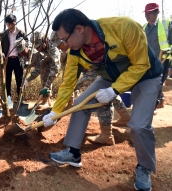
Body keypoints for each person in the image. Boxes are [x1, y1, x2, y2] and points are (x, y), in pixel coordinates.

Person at [43, 9, 162, 191]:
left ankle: (144, 167)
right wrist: (55, 111)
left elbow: (141, 64)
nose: (63, 45)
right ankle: (73, 152)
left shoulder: (123, 27)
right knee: (79, 105)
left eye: (65, 39)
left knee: (139, 125)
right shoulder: (76, 51)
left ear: (80, 29)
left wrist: (115, 90)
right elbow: (68, 84)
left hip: (146, 74)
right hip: (110, 77)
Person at [50, 31, 131, 145]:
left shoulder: (82, 46)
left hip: (102, 72)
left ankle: (108, 134)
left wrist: (75, 88)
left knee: (103, 96)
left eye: (59, 44)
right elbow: (68, 78)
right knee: (106, 95)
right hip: (100, 74)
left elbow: (89, 73)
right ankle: (122, 119)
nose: (58, 48)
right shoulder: (68, 53)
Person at [143, 3, 171, 112]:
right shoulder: (144, 27)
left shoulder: (166, 25)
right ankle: (161, 99)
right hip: (149, 61)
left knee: (157, 83)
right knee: (151, 83)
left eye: (150, 12)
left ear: (157, 12)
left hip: (163, 60)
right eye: (146, 13)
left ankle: (153, 105)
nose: (147, 15)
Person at [23, 31, 60, 109]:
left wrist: (47, 85)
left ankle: (70, 103)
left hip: (68, 61)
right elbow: (40, 68)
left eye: (39, 46)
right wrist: (28, 80)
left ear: (45, 40)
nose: (37, 49)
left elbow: (56, 68)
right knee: (44, 67)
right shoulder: (43, 50)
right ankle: (45, 100)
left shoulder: (53, 48)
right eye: (36, 47)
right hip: (52, 62)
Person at [1, 14, 28, 102]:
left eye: (11, 24)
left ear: (15, 22)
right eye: (8, 25)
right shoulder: (4, 34)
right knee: (7, 81)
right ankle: (7, 101)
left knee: (19, 81)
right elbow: (0, 46)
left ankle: (20, 100)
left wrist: (25, 53)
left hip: (18, 59)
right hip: (7, 60)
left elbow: (27, 44)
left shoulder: (21, 33)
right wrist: (2, 53)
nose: (10, 27)